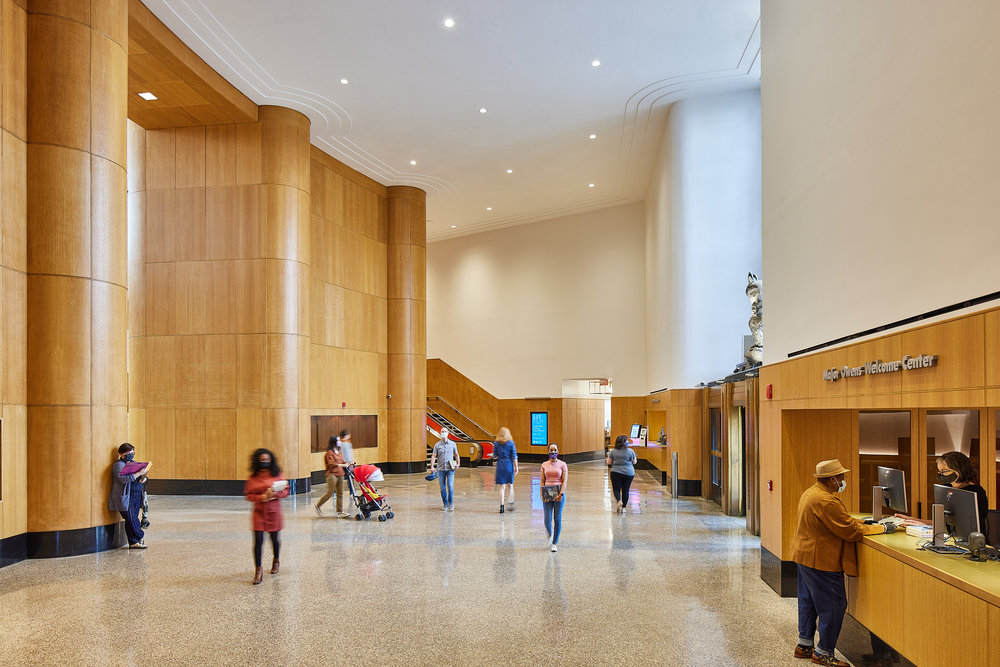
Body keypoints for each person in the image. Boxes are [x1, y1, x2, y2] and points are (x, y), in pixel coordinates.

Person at [791, 459, 893, 667]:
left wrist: (865, 522)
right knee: (834, 605)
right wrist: (882, 529)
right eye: (842, 477)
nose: (844, 480)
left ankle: (804, 645)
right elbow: (850, 531)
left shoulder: (811, 492)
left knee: (808, 601)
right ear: (833, 479)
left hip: (804, 555)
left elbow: (839, 521)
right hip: (821, 559)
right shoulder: (827, 501)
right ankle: (824, 652)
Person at [893, 451, 989, 537]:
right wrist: (912, 520)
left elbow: (963, 526)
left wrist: (924, 525)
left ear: (958, 471)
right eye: (939, 470)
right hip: (951, 539)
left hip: (972, 542)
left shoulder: (976, 493)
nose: (940, 474)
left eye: (944, 471)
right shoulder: (946, 488)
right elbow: (944, 523)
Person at [244, 448, 290, 585]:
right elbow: (249, 494)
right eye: (262, 460)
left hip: (274, 512)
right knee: (258, 541)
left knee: (274, 539)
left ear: (271, 461)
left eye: (267, 459)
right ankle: (258, 570)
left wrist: (274, 494)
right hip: (259, 512)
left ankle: (276, 560)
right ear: (257, 461)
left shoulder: (277, 474)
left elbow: (286, 490)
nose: (264, 462)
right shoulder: (253, 477)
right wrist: (261, 497)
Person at [108, 443, 152, 549]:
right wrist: (138, 473)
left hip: (137, 494)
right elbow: (124, 479)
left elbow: (141, 477)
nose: (131, 455)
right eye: (129, 453)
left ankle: (133, 542)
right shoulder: (118, 465)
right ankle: (140, 535)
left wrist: (144, 477)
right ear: (121, 454)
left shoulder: (133, 463)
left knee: (131, 519)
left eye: (133, 453)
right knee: (131, 518)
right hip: (126, 496)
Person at [540, 443, 568, 552]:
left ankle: (554, 542)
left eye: (555, 450)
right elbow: (542, 481)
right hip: (547, 491)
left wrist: (561, 494)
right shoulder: (544, 465)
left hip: (558, 491)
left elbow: (565, 480)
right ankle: (550, 534)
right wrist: (542, 494)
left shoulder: (563, 464)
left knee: (557, 518)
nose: (553, 452)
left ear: (558, 451)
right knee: (547, 519)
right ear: (548, 452)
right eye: (551, 450)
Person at [315, 435, 349, 517]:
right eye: (338, 440)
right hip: (332, 474)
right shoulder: (329, 453)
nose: (340, 442)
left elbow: (343, 461)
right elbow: (331, 465)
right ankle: (318, 505)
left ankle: (340, 512)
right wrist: (342, 465)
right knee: (330, 492)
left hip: (340, 474)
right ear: (333, 442)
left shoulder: (339, 452)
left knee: (340, 493)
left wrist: (347, 464)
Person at [429, 427, 459, 511]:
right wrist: (432, 466)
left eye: (445, 431)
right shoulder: (437, 445)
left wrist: (458, 463)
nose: (444, 433)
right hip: (440, 469)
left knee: (450, 487)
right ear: (440, 433)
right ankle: (445, 504)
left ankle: (451, 504)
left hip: (450, 469)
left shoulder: (453, 444)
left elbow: (456, 455)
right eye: (442, 431)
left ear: (448, 433)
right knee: (442, 488)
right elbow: (434, 456)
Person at [607, 435, 638, 513]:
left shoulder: (613, 451)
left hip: (616, 472)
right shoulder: (630, 451)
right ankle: (624, 508)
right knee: (626, 489)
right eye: (627, 441)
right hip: (629, 473)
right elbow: (634, 462)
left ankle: (618, 501)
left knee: (616, 489)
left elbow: (609, 462)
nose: (628, 442)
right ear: (624, 443)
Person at [492, 426, 518, 513]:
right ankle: (510, 504)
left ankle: (501, 506)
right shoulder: (511, 443)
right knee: (510, 485)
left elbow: (494, 456)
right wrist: (516, 467)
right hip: (509, 465)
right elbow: (514, 456)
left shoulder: (496, 443)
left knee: (501, 487)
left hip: (500, 465)